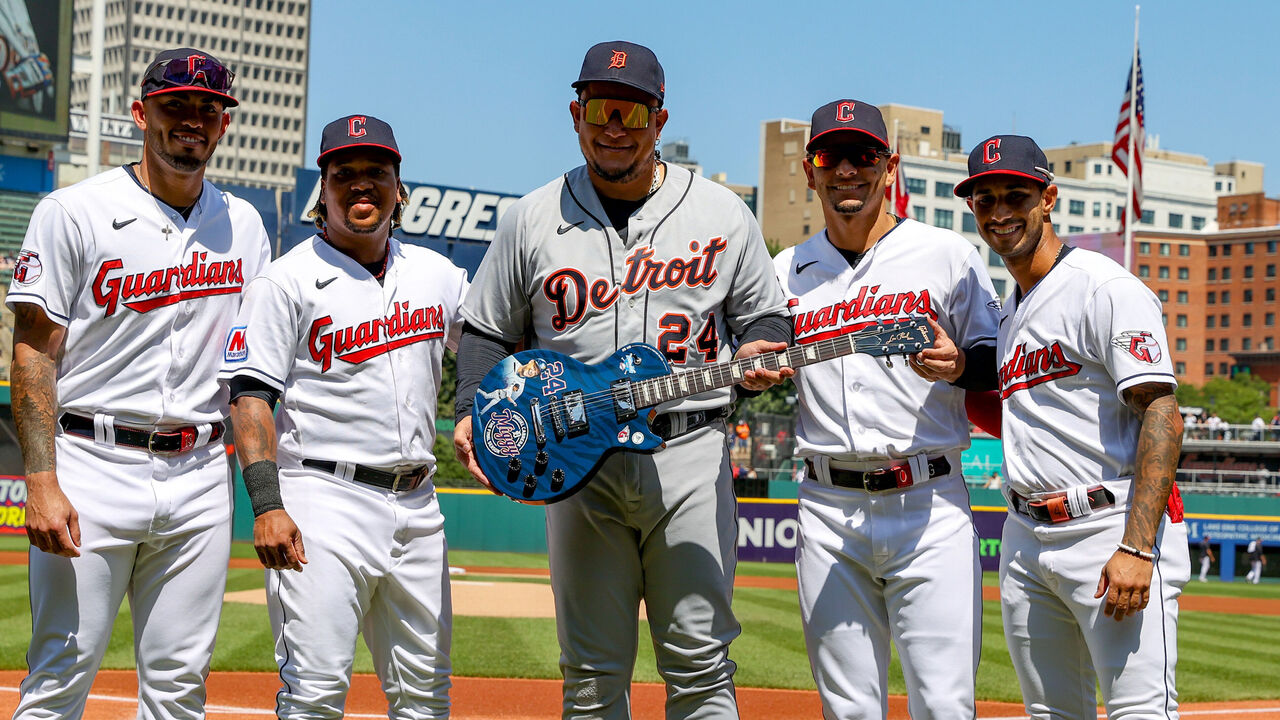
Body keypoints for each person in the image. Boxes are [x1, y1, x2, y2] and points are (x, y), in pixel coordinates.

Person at [452, 40, 792, 719]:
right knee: (589, 673)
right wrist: (470, 407)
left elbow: (767, 317)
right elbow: (487, 330)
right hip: (577, 461)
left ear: (659, 123)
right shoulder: (531, 217)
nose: (615, 126)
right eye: (603, 108)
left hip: (690, 452)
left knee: (699, 666)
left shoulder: (723, 214)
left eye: (632, 113)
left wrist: (762, 350)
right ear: (576, 115)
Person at [7, 48, 270, 719]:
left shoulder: (244, 226)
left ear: (223, 125)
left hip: (201, 471)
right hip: (93, 464)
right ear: (140, 114)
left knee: (180, 690)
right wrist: (40, 480)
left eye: (207, 108)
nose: (191, 119)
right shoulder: (74, 210)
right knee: (60, 674)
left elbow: (254, 370)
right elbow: (34, 350)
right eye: (174, 104)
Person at [220, 116, 465, 718]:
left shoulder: (436, 274)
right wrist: (268, 503)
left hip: (418, 503)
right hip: (324, 499)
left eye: (376, 172)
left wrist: (478, 410)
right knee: (317, 693)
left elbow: (491, 342)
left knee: (427, 698)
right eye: (344, 174)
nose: (361, 186)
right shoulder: (287, 279)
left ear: (399, 186)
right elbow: (250, 396)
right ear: (322, 190)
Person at [772, 99, 1001, 720]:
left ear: (889, 165)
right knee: (847, 710)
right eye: (832, 156)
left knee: (945, 705)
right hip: (828, 503)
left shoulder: (947, 254)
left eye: (864, 155)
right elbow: (753, 362)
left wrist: (959, 365)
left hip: (928, 503)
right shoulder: (783, 272)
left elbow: (993, 358)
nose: (848, 170)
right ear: (810, 169)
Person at [954, 134, 1189, 718]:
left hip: (1107, 525)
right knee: (1053, 715)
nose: (1000, 211)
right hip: (1027, 535)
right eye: (984, 200)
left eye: (1016, 194)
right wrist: (957, 368)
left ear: (1049, 197)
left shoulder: (1102, 287)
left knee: (1139, 713)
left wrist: (1136, 545)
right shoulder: (1010, 307)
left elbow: (1162, 412)